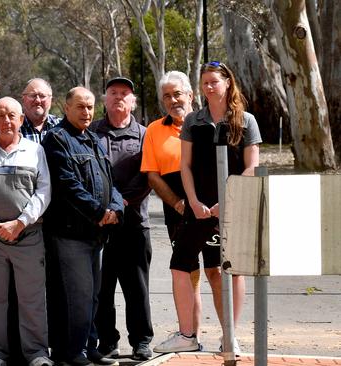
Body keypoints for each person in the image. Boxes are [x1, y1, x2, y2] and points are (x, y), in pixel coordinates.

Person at [155, 62, 261, 355]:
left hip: (232, 209)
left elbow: (253, 166)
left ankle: (230, 337)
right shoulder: (193, 121)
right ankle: (187, 335)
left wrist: (225, 202)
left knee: (232, 271)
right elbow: (184, 167)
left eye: (214, 82)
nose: (209, 87)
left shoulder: (246, 121)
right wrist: (193, 201)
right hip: (197, 209)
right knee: (179, 268)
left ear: (228, 83)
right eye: (205, 83)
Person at [0, 97, 52, 366]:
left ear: (21, 120)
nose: (6, 121)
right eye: (0, 115)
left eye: (12, 115)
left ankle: (37, 353)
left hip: (29, 236)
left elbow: (44, 191)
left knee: (32, 298)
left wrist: (21, 222)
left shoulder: (35, 151)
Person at [41, 86, 124, 366]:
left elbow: (108, 179)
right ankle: (71, 353)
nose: (86, 112)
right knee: (76, 297)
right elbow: (67, 185)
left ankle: (89, 347)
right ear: (66, 108)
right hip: (70, 234)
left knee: (92, 296)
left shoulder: (92, 139)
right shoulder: (56, 139)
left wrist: (115, 207)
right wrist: (99, 211)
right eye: (80, 106)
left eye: (90, 107)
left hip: (97, 234)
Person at [142, 71, 210, 353]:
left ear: (190, 95)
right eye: (167, 96)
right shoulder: (155, 129)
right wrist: (178, 203)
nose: (173, 100)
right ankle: (189, 335)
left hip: (211, 208)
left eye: (177, 94)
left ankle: (230, 336)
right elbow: (152, 175)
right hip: (178, 212)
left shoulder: (208, 123)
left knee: (218, 272)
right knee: (186, 273)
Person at [89, 77, 154, 361]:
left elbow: (148, 176)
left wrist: (122, 204)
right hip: (100, 224)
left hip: (134, 225)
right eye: (113, 93)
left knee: (136, 288)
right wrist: (104, 208)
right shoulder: (91, 132)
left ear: (133, 101)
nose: (118, 97)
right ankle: (107, 341)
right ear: (105, 99)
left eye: (124, 93)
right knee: (102, 289)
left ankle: (141, 340)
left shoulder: (144, 134)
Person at [20, 78, 60, 143]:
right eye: (33, 95)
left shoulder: (62, 126)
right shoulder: (13, 128)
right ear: (23, 99)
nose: (37, 101)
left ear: (51, 100)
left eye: (42, 96)